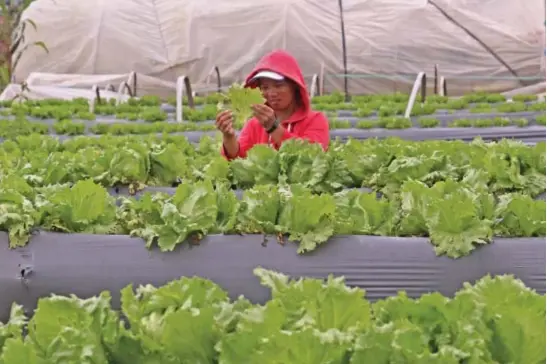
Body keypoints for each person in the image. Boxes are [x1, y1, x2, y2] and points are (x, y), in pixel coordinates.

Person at [216, 50, 330, 160]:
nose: (271, 93)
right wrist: (229, 137)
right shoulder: (254, 125)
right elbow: (239, 159)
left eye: (279, 85)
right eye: (265, 87)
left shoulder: (315, 120)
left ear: (294, 86)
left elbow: (312, 157)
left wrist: (274, 128)